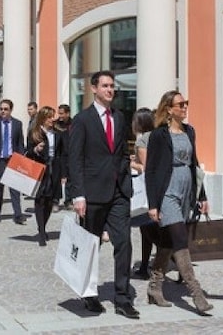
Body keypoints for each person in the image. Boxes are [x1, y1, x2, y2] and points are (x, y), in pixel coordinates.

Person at [68, 70, 139, 319]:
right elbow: (74, 159)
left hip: (119, 191)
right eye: (105, 86)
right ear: (94, 89)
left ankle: (122, 298)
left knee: (124, 244)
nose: (110, 90)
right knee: (91, 246)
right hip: (92, 193)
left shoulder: (119, 117)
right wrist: (78, 195)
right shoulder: (82, 120)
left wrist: (126, 176)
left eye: (112, 86)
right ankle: (89, 294)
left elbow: (120, 152)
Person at [145, 90, 212, 315]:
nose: (184, 107)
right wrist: (153, 204)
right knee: (180, 238)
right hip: (168, 191)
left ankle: (154, 287)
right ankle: (196, 293)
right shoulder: (158, 135)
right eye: (180, 104)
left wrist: (202, 196)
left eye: (186, 103)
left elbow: (195, 164)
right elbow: (151, 171)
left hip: (187, 191)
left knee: (168, 241)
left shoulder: (189, 131)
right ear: (169, 109)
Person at [25, 106, 62, 246]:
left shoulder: (57, 133)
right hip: (40, 168)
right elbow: (27, 151)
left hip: (54, 169)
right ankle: (41, 231)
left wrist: (64, 172)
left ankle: (43, 226)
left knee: (50, 201)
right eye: (49, 117)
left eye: (53, 117)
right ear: (43, 119)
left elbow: (62, 153)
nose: (52, 119)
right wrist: (35, 149)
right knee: (40, 199)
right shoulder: (35, 133)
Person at [0, 99, 26, 224]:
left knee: (15, 188)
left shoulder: (17, 124)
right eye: (1, 109)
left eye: (5, 109)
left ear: (10, 110)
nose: (3, 111)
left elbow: (20, 143)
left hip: (12, 159)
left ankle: (18, 214)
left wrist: (21, 159)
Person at [130, 107, 157, 280]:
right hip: (158, 188)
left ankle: (146, 267)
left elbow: (146, 168)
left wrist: (131, 164)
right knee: (150, 230)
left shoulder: (142, 141)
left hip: (147, 190)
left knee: (148, 231)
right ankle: (147, 265)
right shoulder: (157, 136)